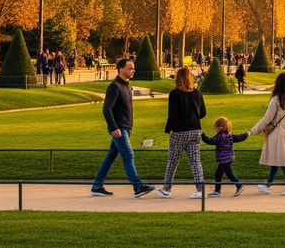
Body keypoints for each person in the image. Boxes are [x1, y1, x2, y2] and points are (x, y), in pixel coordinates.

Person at [90, 57, 154, 198]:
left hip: (124, 127)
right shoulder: (115, 86)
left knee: (110, 157)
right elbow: (107, 109)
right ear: (120, 69)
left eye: (133, 68)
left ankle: (97, 185)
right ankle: (138, 187)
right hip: (118, 128)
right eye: (130, 68)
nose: (133, 70)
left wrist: (128, 127)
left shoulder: (127, 85)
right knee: (128, 155)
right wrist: (114, 127)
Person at [157, 65, 207, 198]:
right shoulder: (197, 92)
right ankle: (200, 189)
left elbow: (172, 115)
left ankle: (167, 189)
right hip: (195, 130)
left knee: (173, 160)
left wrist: (168, 129)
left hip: (180, 131)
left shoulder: (175, 94)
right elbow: (203, 113)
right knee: (195, 161)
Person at [248, 72, 285, 194]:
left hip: (278, 133)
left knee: (283, 160)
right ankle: (268, 185)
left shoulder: (276, 99)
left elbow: (267, 118)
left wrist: (253, 131)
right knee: (278, 159)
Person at [202, 117, 250, 197]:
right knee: (218, 174)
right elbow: (239, 138)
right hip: (229, 158)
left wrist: (202, 136)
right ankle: (217, 191)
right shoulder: (229, 136)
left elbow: (210, 141)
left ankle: (239, 185)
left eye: (216, 127)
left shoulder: (220, 136)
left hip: (224, 159)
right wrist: (246, 134)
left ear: (220, 127)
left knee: (229, 174)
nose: (215, 129)